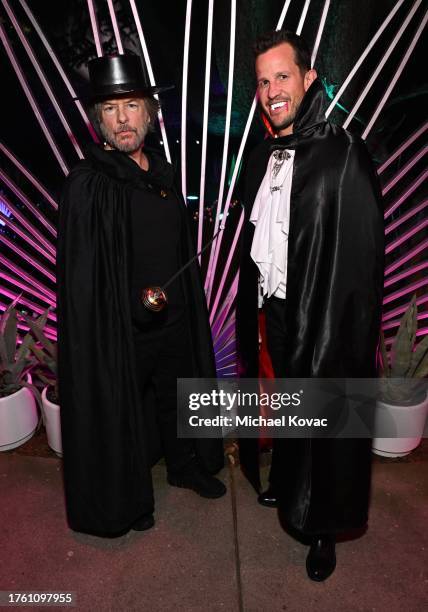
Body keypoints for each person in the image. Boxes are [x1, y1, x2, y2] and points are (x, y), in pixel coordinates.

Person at [236, 30, 384, 581]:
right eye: (263, 81)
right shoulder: (266, 154)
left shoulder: (341, 153)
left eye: (282, 76)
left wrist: (340, 323)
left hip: (322, 315)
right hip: (275, 310)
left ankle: (324, 526)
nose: (272, 89)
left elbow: (363, 254)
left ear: (308, 79)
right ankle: (293, 485)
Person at [57, 53, 225, 537]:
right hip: (120, 329)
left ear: (150, 114)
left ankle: (185, 465)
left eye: (131, 106)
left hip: (172, 319)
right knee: (124, 410)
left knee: (179, 395)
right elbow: (84, 276)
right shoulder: (89, 184)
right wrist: (123, 303)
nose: (122, 119)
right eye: (110, 110)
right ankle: (129, 497)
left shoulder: (164, 175)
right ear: (98, 121)